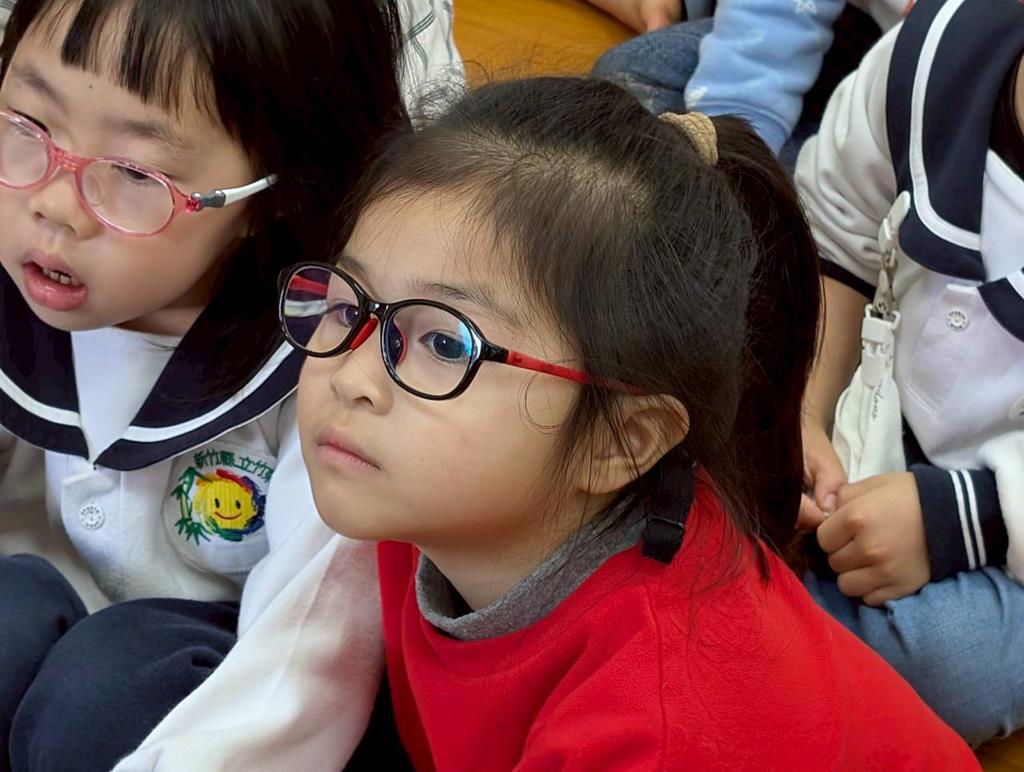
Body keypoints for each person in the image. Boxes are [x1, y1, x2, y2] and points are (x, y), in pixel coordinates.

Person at [284, 76, 978, 768]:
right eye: (349, 307)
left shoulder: (658, 720)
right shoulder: (420, 496)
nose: (351, 377)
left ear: (621, 441)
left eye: (444, 342)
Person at [0, 0, 458, 768]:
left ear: (272, 196)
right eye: (27, 125)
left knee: (103, 688)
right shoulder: (24, 273)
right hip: (58, 623)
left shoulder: (329, 364)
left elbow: (304, 659)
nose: (53, 204)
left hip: (233, 694)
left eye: (134, 174)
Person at [797, 0, 1024, 745]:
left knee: (951, 662)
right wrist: (806, 411)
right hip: (882, 403)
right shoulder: (934, 52)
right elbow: (838, 240)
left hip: (1003, 523)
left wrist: (962, 521)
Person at [588, 0, 901, 169]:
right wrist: (731, 137)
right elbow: (771, 19)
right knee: (629, 79)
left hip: (904, 116)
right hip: (842, 32)